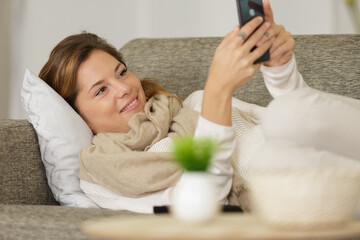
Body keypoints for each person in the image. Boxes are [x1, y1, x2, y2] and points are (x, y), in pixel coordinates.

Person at [38, 0, 360, 214]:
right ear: (78, 116)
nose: (124, 88)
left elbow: (315, 123)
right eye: (101, 90)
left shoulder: (192, 105)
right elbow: (203, 205)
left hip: (335, 156)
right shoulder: (105, 175)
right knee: (276, 151)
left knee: (287, 116)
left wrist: (280, 70)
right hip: (305, 199)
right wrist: (218, 93)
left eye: (122, 72)